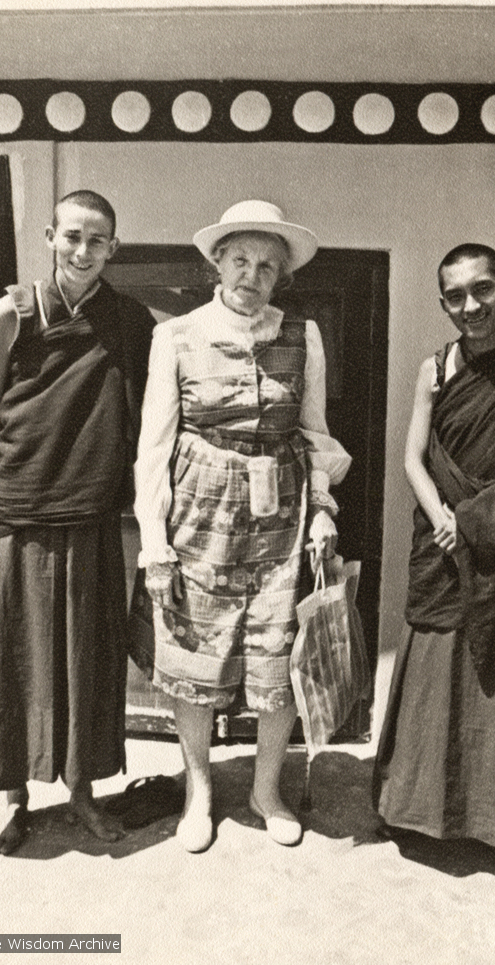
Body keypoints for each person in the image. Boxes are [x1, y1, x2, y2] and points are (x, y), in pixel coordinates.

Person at [129, 200, 351, 852]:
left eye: (266, 265)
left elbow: (314, 433)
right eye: (240, 260)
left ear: (281, 276)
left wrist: (321, 511)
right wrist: (155, 542)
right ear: (216, 265)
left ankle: (265, 791)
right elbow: (154, 446)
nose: (252, 273)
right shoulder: (174, 336)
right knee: (195, 660)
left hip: (282, 522)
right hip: (199, 518)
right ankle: (198, 792)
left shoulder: (303, 335)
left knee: (279, 659)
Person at [0, 190, 155, 854]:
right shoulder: (11, 312)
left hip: (91, 512)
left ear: (113, 249)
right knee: (13, 655)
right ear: (49, 236)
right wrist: (7, 487)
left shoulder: (128, 320)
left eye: (97, 241)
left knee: (86, 659)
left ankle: (80, 795)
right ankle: (14, 801)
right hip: (22, 510)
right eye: (71, 236)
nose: (82, 251)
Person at [373, 243, 495, 878]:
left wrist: (471, 523)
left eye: (484, 289)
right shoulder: (437, 368)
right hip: (444, 543)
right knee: (437, 673)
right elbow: (414, 457)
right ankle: (422, 817)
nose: (471, 306)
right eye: (455, 296)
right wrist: (443, 518)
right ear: (442, 302)